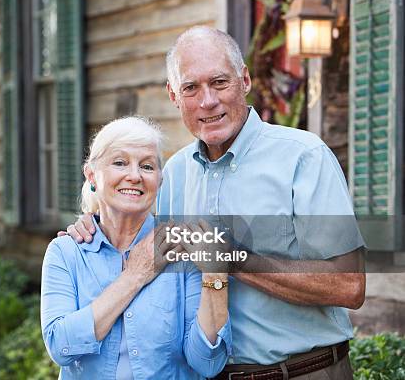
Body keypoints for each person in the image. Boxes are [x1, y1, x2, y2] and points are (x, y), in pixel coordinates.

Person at [64, 26, 366, 379]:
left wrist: (232, 259)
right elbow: (138, 253)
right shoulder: (171, 175)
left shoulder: (304, 157)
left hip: (304, 372)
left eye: (219, 82)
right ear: (174, 96)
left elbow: (350, 285)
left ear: (245, 80)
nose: (207, 101)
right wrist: (91, 224)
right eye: (191, 88)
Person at [41, 116, 232, 379]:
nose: (134, 176)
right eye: (120, 163)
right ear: (92, 175)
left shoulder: (182, 250)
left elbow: (207, 363)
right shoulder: (66, 252)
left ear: (160, 181)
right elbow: (60, 345)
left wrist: (215, 275)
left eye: (147, 166)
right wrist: (135, 275)